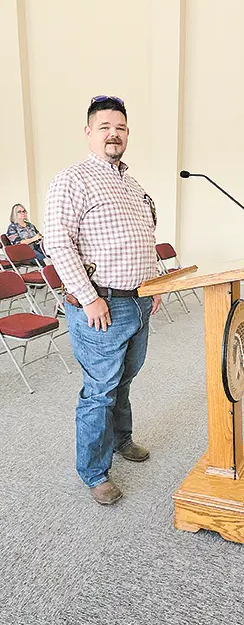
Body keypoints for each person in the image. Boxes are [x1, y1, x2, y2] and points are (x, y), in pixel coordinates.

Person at [44, 95, 161, 506]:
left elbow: (144, 241)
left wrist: (154, 286)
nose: (115, 134)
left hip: (139, 302)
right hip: (102, 307)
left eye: (121, 128)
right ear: (89, 132)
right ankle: (94, 472)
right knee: (100, 390)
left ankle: (121, 440)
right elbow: (58, 243)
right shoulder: (72, 179)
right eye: (106, 127)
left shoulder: (132, 184)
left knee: (124, 380)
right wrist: (90, 298)